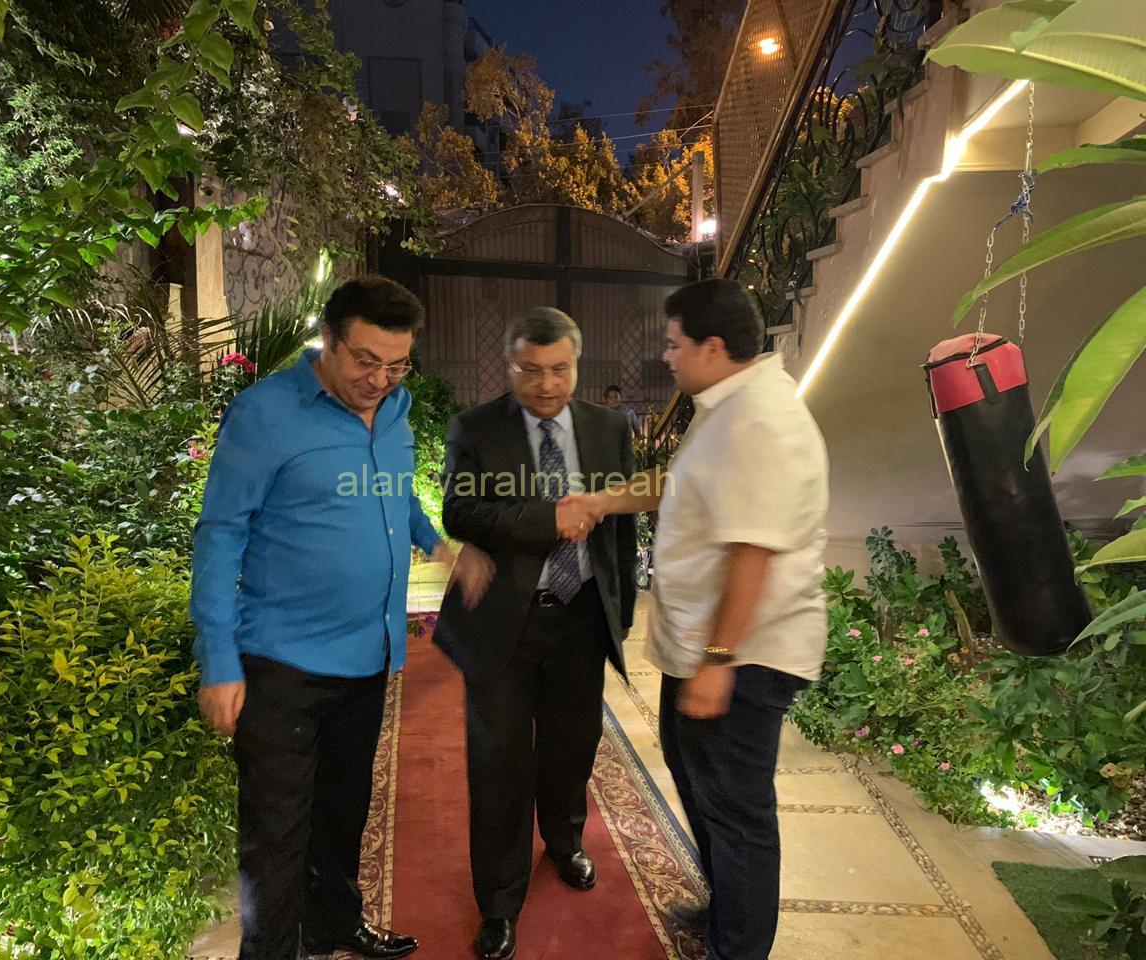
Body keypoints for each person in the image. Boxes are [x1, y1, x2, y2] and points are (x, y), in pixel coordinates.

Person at [191, 276, 493, 960]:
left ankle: (332, 927)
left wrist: (438, 546)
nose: (379, 380)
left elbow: (395, 495)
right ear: (328, 340)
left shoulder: (394, 411)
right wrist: (219, 660)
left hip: (368, 657)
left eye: (397, 365)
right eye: (366, 361)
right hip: (282, 665)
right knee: (276, 835)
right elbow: (219, 536)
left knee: (343, 813)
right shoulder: (265, 414)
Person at [561, 278, 829, 960]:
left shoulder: (758, 420)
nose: (667, 355)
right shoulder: (726, 406)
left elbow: (753, 549)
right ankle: (725, 909)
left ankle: (738, 947)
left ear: (713, 347)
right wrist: (601, 502)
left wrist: (718, 660)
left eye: (674, 344)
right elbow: (679, 487)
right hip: (705, 650)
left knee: (737, 813)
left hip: (743, 656)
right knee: (701, 787)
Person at [433, 307, 638, 960]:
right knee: (498, 763)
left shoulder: (609, 428)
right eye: (530, 370)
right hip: (504, 623)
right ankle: (499, 902)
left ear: (576, 364)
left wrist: (621, 610)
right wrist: (549, 519)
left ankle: (565, 839)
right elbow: (460, 512)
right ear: (509, 365)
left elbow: (622, 524)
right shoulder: (475, 428)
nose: (546, 384)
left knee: (572, 746)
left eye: (559, 369)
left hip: (581, 618)